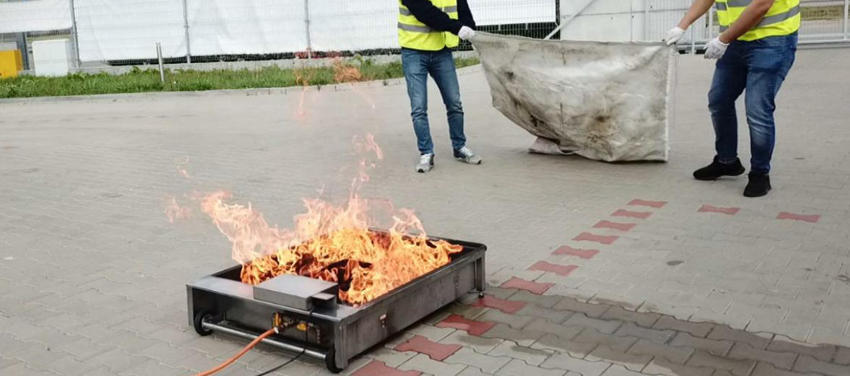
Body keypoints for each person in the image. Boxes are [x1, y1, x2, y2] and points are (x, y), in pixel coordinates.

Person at [666, 0, 799, 197]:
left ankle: (760, 174)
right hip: (736, 39)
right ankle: (727, 161)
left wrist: (723, 40)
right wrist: (681, 25)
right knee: (719, 100)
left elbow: (761, 5)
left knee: (757, 110)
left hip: (772, 41)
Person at [399, 0, 482, 173]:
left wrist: (472, 31)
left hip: (442, 51)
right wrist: (457, 28)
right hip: (414, 51)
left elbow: (461, 6)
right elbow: (425, 12)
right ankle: (426, 153)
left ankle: (459, 147)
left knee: (454, 102)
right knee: (419, 108)